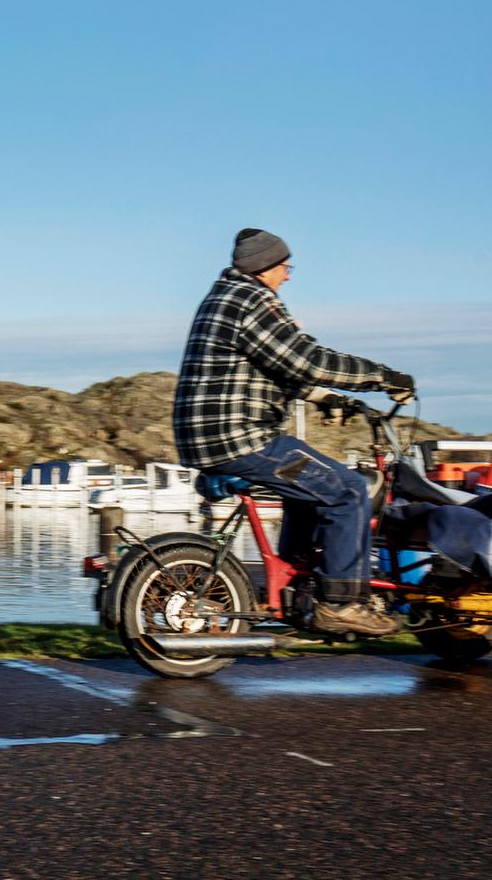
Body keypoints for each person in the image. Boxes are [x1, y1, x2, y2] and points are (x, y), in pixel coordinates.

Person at [174, 228, 415, 637]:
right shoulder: (251, 301)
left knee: (311, 486)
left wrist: (326, 398)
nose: (288, 276)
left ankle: (300, 588)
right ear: (265, 266)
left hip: (215, 434)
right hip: (241, 436)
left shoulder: (226, 297)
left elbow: (274, 367)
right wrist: (382, 377)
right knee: (348, 490)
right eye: (286, 267)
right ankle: (342, 603)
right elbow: (306, 359)